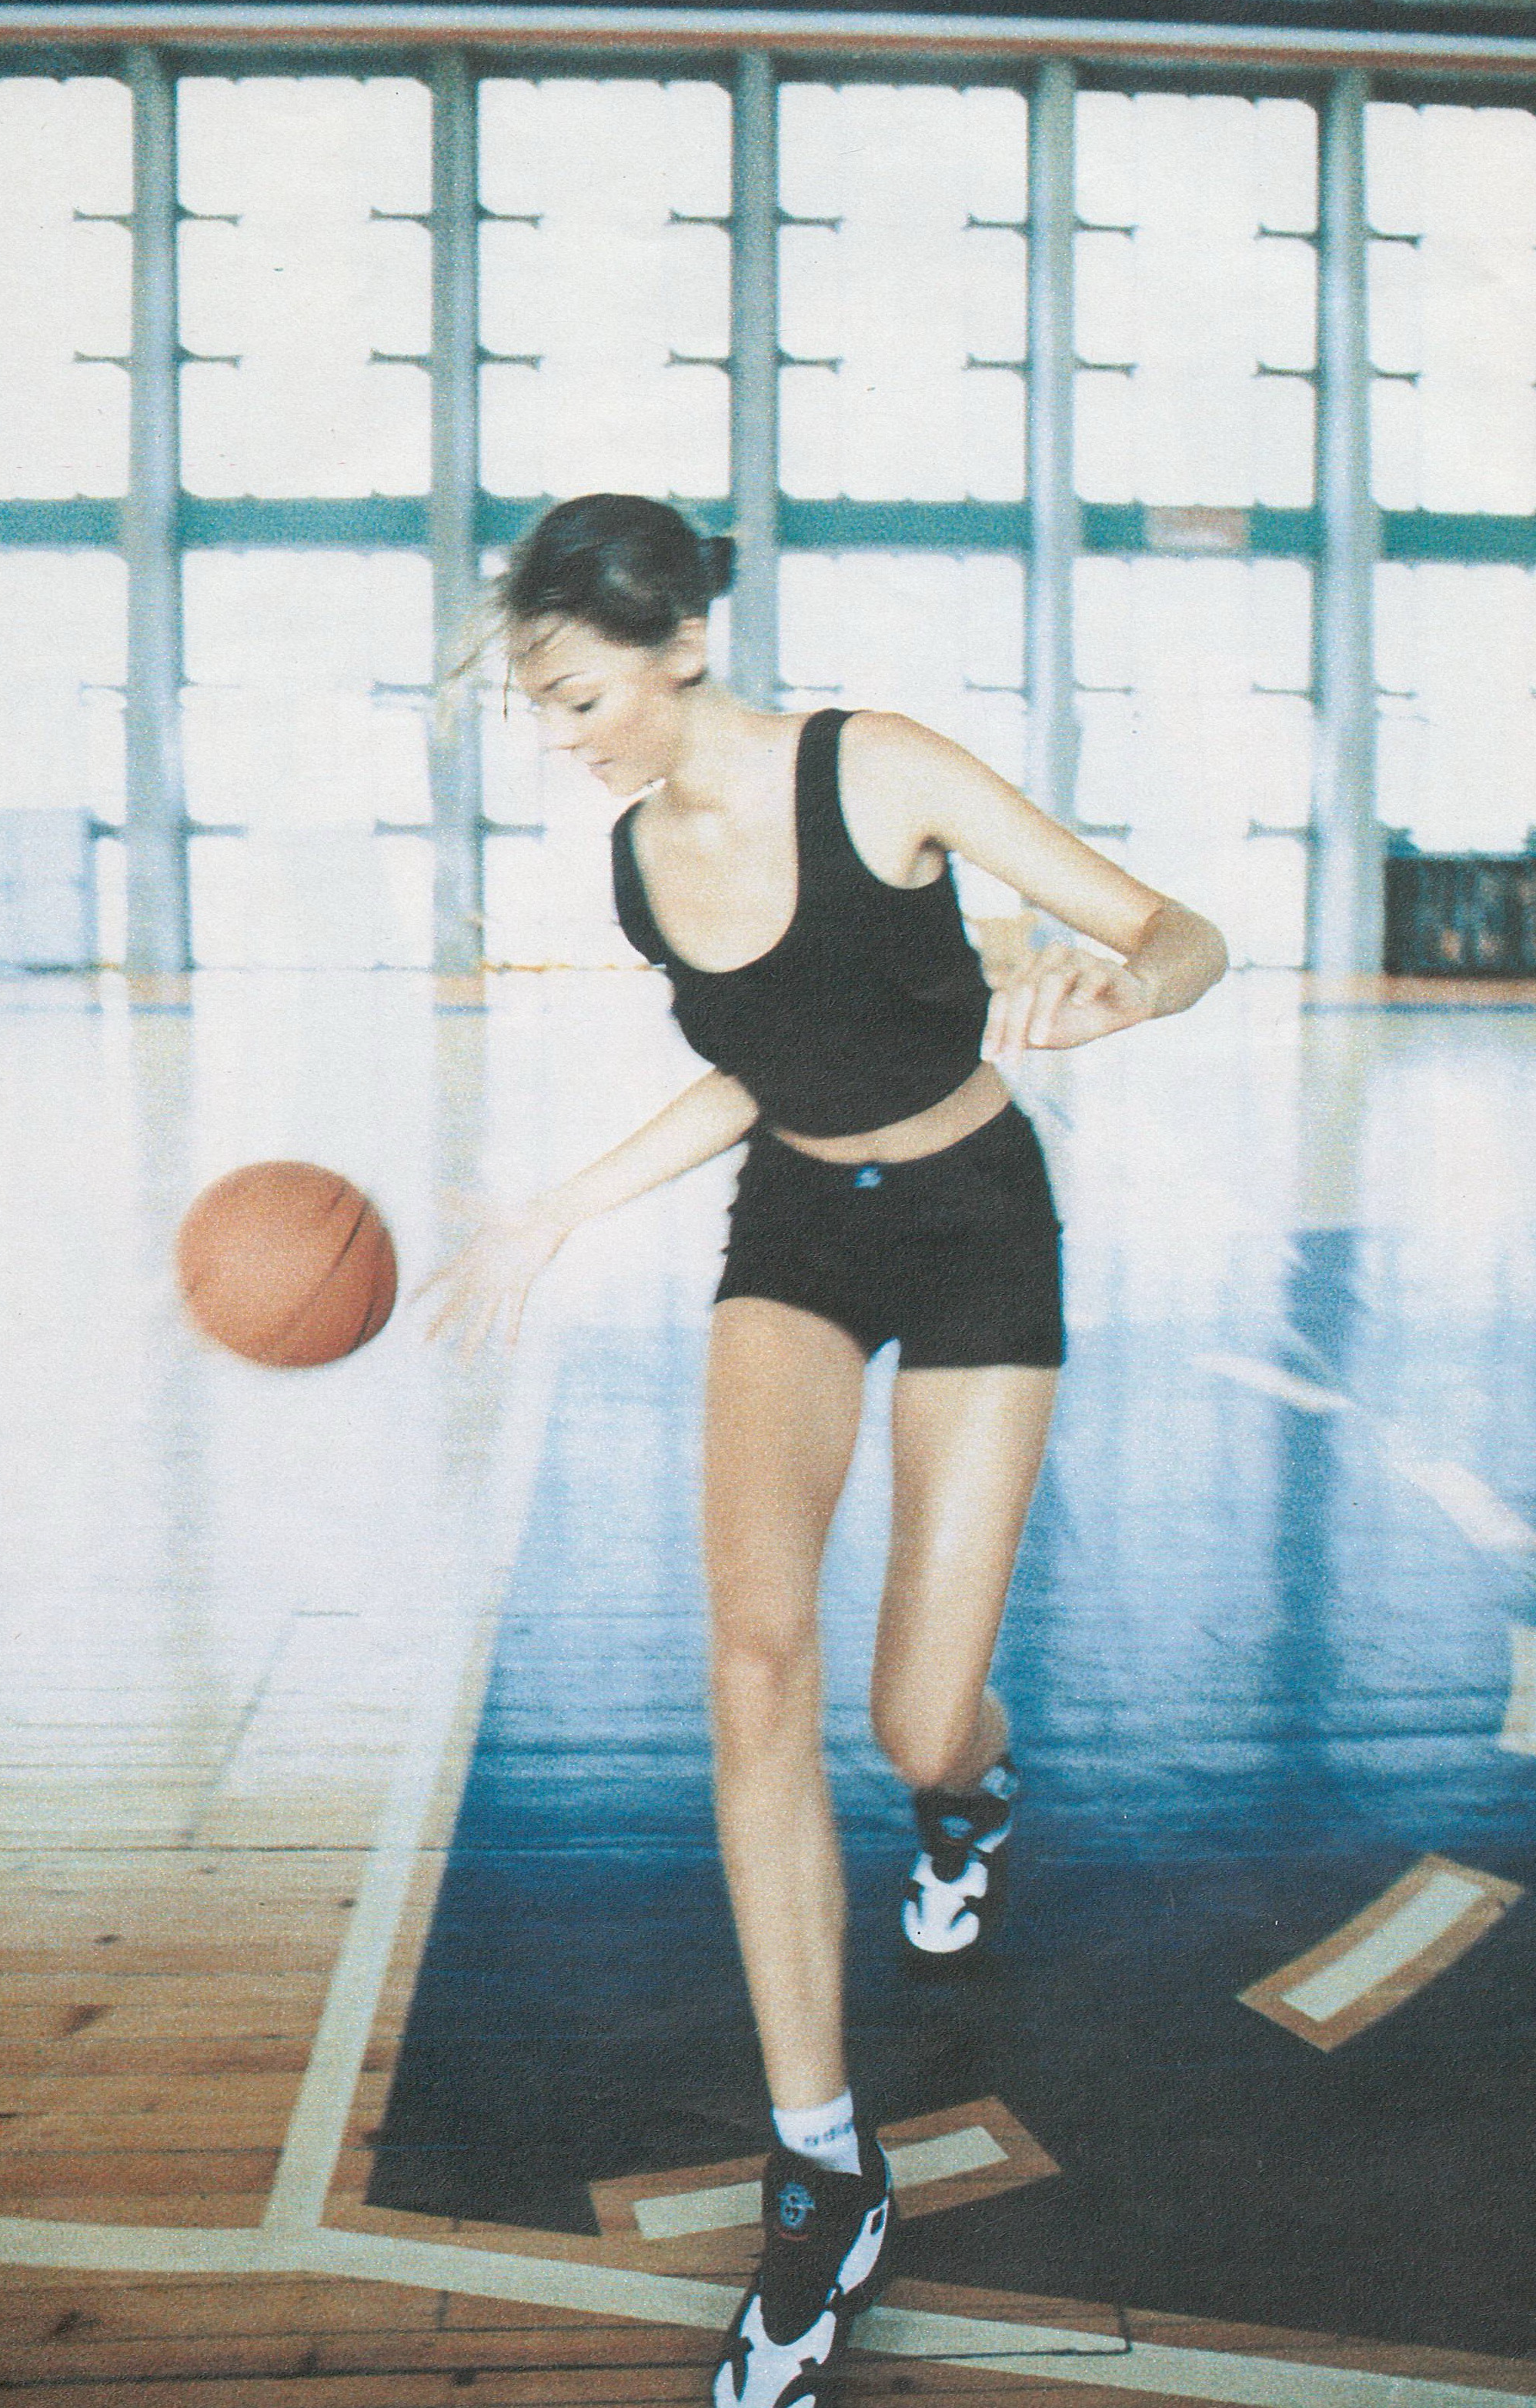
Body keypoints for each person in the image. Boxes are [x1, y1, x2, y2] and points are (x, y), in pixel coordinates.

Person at [420, 493, 1227, 2408]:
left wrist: (1120, 985)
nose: (563, 735)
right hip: (794, 1229)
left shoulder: (879, 770)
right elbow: (762, 1062)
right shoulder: (638, 859)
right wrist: (557, 1209)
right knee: (753, 1665)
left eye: (578, 695)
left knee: (913, 1719)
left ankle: (969, 1792)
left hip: (973, 1224)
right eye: (539, 706)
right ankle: (823, 2166)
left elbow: (1177, 929)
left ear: (683, 643)